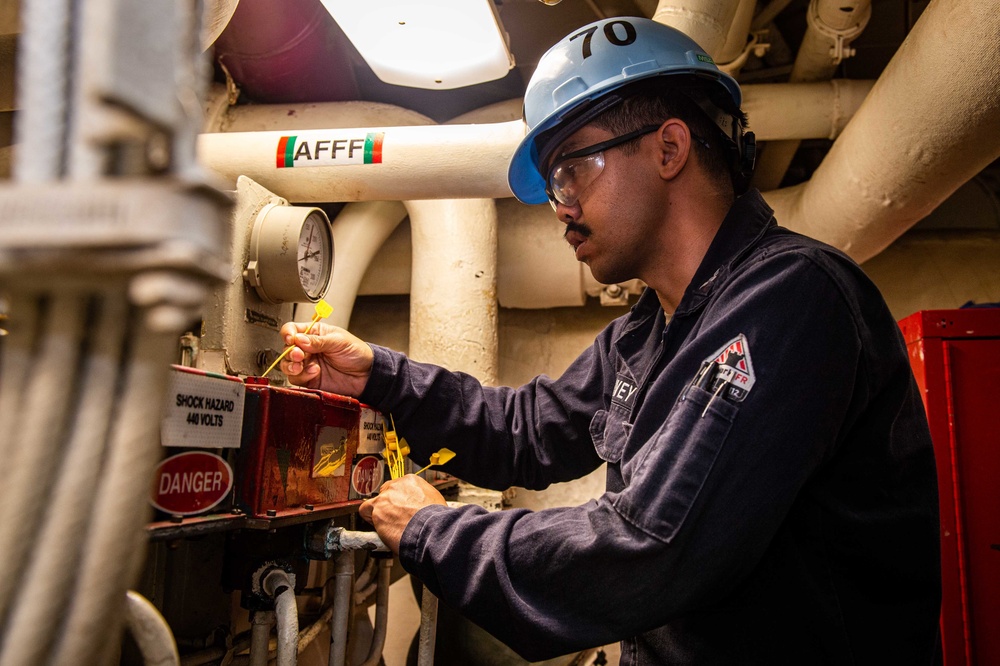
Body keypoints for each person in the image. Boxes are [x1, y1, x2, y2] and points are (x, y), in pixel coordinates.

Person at [280, 17, 941, 665]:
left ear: (669, 149)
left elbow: (650, 547)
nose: (561, 207)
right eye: (553, 189)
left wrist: (435, 531)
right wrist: (379, 376)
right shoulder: (650, 331)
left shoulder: (792, 301)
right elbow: (524, 430)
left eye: (570, 171)